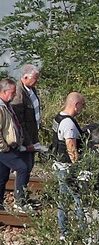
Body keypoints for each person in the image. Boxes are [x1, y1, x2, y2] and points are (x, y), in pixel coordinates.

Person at [52, 91, 86, 238]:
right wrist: (79, 168)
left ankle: (63, 231)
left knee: (63, 199)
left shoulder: (58, 118)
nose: (81, 110)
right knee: (78, 198)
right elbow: (71, 147)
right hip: (67, 168)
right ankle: (81, 230)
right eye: (82, 106)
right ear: (76, 105)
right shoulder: (68, 124)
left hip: (59, 165)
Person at [0, 78, 31, 212]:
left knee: (2, 176)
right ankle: (20, 202)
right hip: (3, 149)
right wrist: (4, 148)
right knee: (23, 168)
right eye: (12, 93)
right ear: (4, 91)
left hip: (7, 147)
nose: (14, 95)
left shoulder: (7, 105)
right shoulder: (1, 108)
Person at [10, 64, 41, 193]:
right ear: (25, 77)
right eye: (35, 78)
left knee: (28, 166)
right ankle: (20, 198)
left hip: (33, 135)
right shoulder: (18, 93)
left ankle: (23, 196)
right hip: (25, 138)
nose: (37, 81)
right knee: (24, 167)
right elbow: (19, 121)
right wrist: (27, 141)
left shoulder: (31, 89)